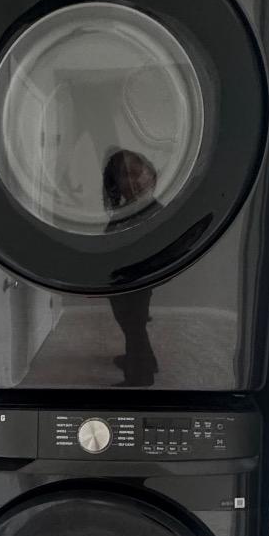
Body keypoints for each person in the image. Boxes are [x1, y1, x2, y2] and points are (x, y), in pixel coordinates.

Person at [102, 148, 160, 386]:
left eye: (138, 173)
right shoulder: (130, 209)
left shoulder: (149, 210)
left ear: (149, 174)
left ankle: (140, 376)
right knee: (131, 322)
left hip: (135, 278)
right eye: (124, 177)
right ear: (115, 185)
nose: (134, 181)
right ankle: (146, 360)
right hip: (126, 275)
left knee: (132, 323)